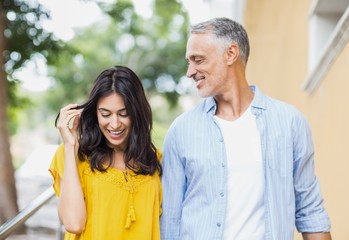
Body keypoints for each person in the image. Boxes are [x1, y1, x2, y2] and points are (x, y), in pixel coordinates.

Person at [160, 17, 332, 240]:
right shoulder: (181, 131)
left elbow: (310, 211)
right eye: (189, 62)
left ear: (231, 54)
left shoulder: (290, 123)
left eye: (198, 60)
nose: (190, 72)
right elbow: (170, 222)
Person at [49, 66, 162, 239]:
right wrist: (70, 145)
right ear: (95, 113)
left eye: (124, 114)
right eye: (105, 114)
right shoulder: (73, 154)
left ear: (137, 114)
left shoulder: (155, 160)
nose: (115, 124)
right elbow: (73, 223)